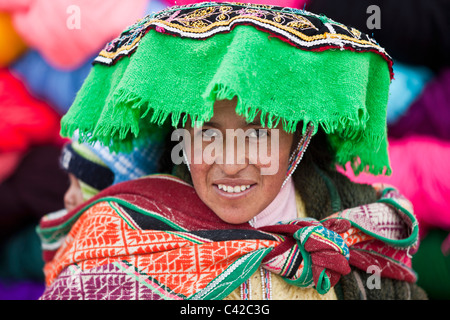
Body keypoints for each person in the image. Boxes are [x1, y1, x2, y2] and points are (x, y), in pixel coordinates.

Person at [37, 2, 426, 300]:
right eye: (208, 133)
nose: (231, 163)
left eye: (257, 133)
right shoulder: (120, 242)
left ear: (300, 138)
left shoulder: (359, 231)